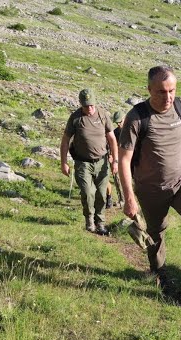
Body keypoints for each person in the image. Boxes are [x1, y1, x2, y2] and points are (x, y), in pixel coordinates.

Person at [118, 65, 181, 301]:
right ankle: (160, 273)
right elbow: (124, 160)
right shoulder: (136, 118)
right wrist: (129, 197)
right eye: (161, 92)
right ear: (149, 89)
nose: (168, 97)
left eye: (171, 91)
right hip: (150, 188)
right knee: (156, 233)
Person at [60, 88, 118, 235]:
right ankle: (89, 220)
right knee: (88, 192)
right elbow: (65, 140)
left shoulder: (103, 115)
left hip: (102, 161)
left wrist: (115, 161)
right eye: (86, 106)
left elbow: (112, 139)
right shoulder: (75, 118)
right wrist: (64, 162)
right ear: (81, 104)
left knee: (101, 193)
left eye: (91, 105)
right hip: (82, 162)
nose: (89, 109)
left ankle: (101, 223)